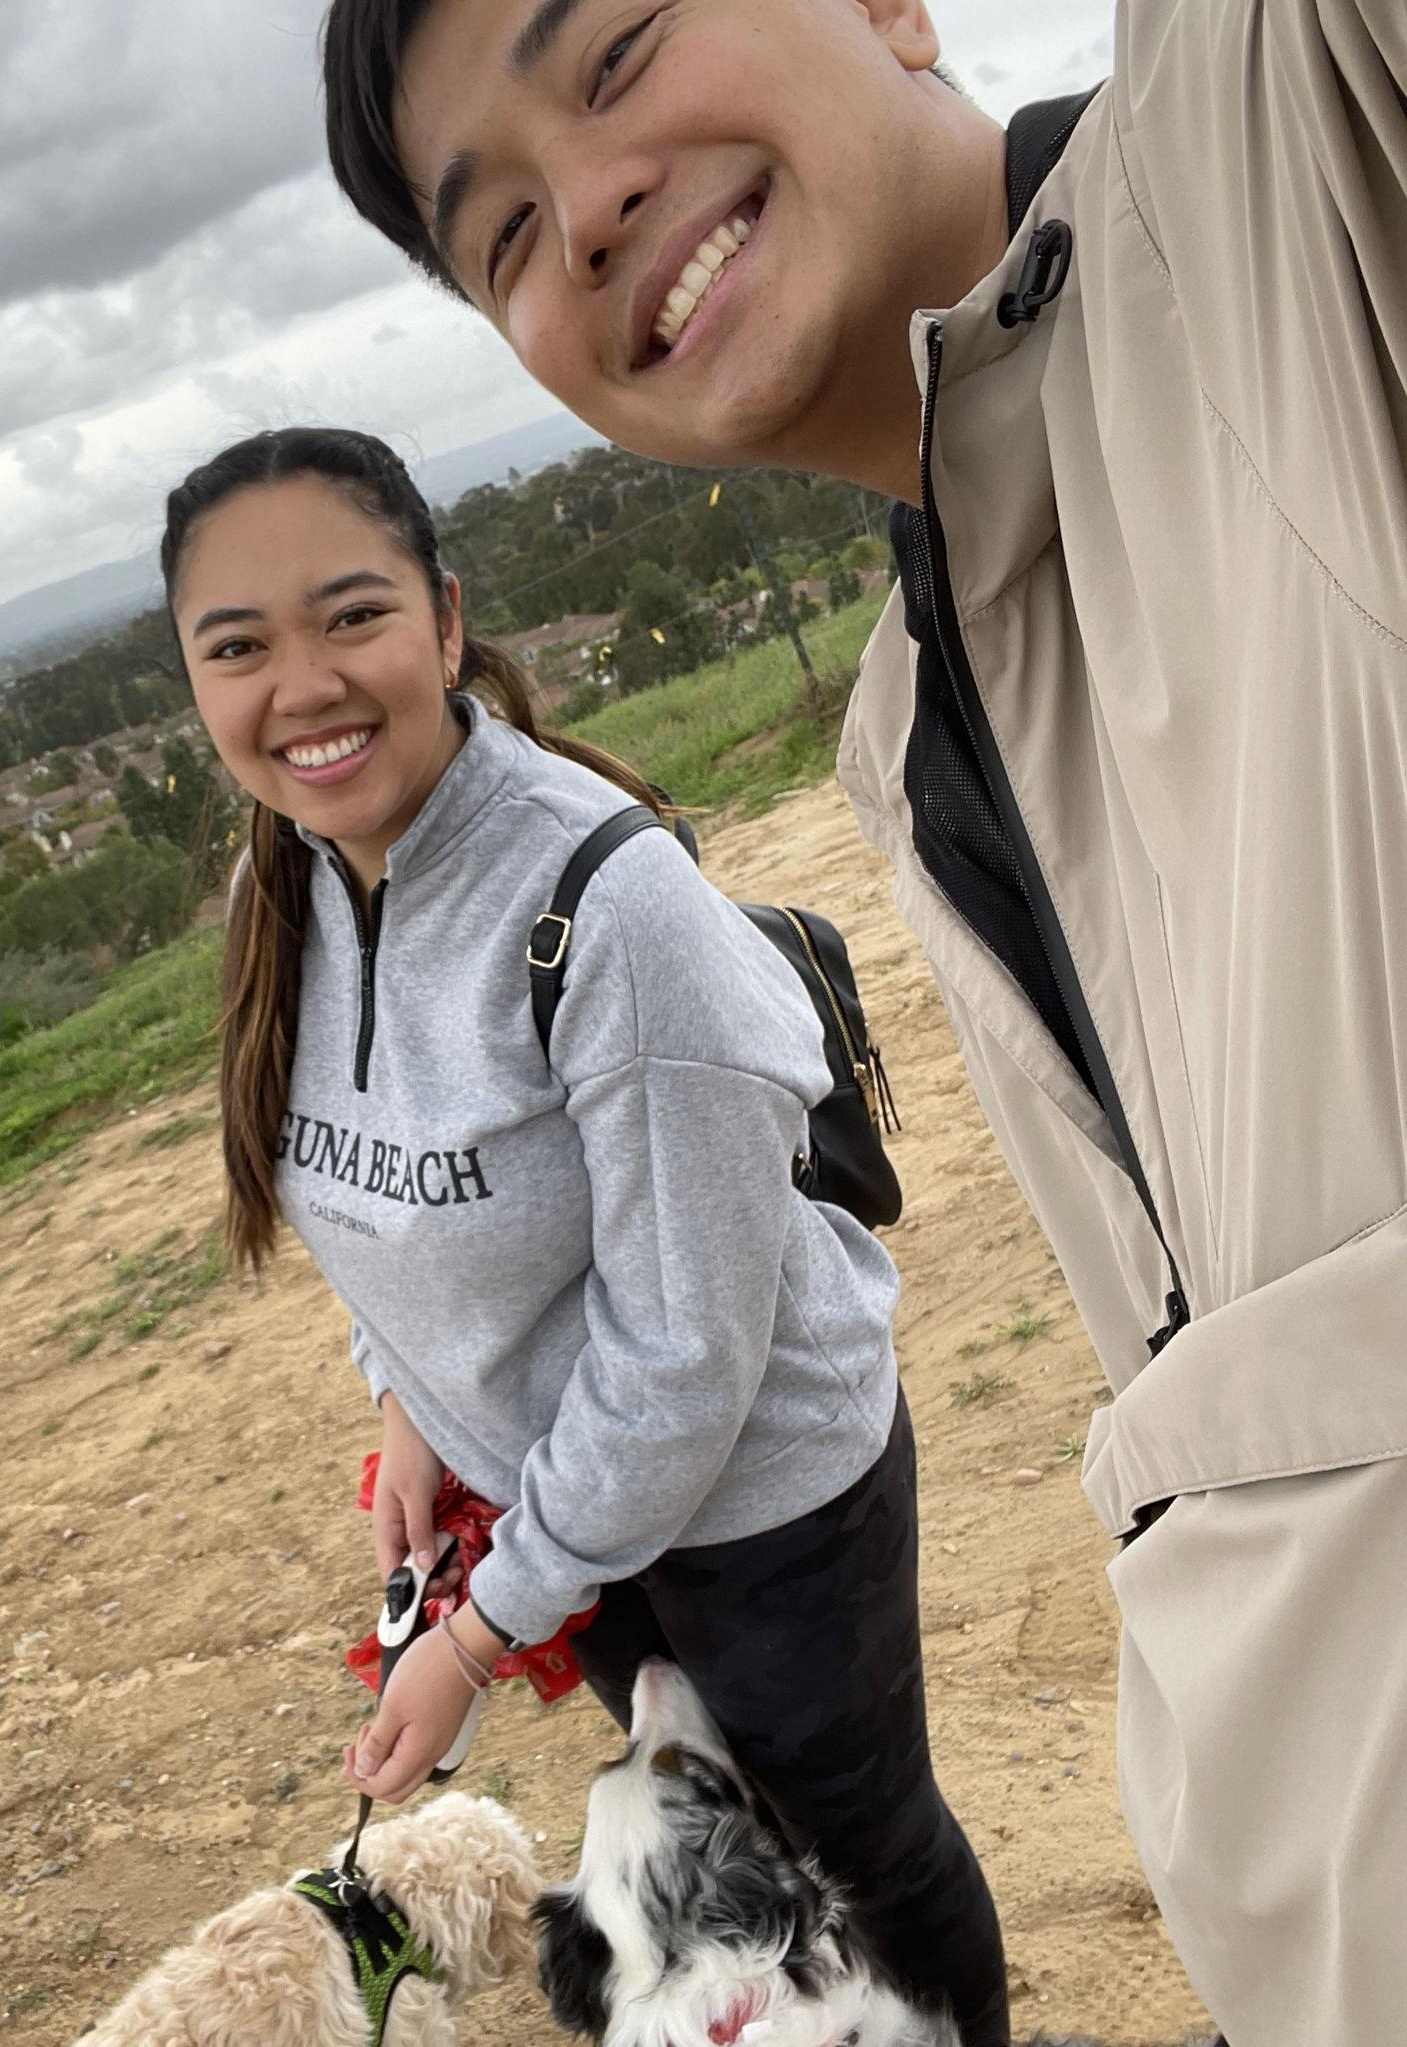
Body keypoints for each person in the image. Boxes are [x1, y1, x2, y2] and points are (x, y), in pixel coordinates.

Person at [319, 3, 1407, 2044]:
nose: (590, 205)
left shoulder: (1280, 148)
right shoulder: (909, 719)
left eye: (618, 51)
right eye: (502, 232)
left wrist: (477, 1630)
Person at [161, 425, 1009, 2045]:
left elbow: (687, 1358)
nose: (304, 686)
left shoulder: (609, 912)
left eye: (352, 616)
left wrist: (481, 1637)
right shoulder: (292, 889)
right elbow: (383, 1206)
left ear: (446, 620)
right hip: (581, 1518)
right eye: (239, 646)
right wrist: (412, 1407)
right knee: (721, 1870)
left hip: (760, 1501)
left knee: (851, 1859)